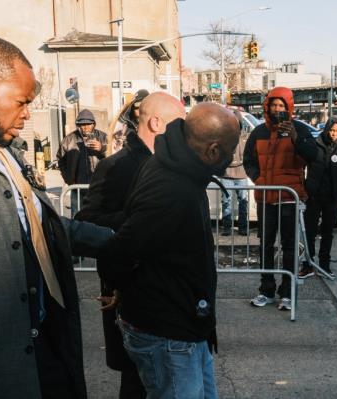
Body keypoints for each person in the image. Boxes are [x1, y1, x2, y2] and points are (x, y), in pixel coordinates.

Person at [0, 35, 113, 399]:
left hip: (42, 351)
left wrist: (122, 242)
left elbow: (42, 226)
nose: (27, 114)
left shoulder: (2, 152)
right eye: (21, 102)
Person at [97, 103, 240, 399]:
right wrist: (121, 287)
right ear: (213, 151)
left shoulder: (178, 166)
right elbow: (118, 252)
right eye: (231, 149)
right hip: (168, 334)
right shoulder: (173, 188)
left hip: (186, 327)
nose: (232, 157)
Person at [74, 91, 185, 399]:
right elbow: (89, 221)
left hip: (166, 294)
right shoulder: (118, 165)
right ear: (156, 122)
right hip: (132, 293)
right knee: (138, 381)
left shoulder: (169, 164)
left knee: (163, 378)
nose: (185, 131)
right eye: (180, 123)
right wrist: (140, 218)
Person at [243, 87, 317, 310]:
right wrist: (259, 179)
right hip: (265, 197)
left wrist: (295, 137)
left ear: (289, 108)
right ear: (267, 106)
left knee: (289, 247)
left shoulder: (300, 130)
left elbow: (312, 157)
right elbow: (248, 159)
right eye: (273, 105)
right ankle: (266, 290)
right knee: (265, 245)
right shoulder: (258, 133)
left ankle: (287, 292)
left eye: (281, 106)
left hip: (289, 198)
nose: (277, 109)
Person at [299, 116, 337, 278]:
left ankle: (324, 265)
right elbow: (302, 167)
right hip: (314, 196)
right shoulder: (315, 145)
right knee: (309, 232)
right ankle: (308, 265)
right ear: (326, 129)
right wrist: (305, 189)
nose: (334, 134)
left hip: (333, 198)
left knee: (327, 232)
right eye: (331, 130)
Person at [57, 108, 108, 216]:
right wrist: (69, 179)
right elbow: (61, 160)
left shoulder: (103, 137)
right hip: (77, 188)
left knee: (100, 217)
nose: (86, 127)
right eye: (82, 124)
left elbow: (114, 156)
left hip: (99, 187)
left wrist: (102, 148)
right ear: (78, 125)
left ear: (94, 124)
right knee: (77, 217)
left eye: (88, 124)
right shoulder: (69, 139)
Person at [219, 110, 250, 236]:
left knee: (243, 202)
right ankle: (227, 228)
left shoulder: (246, 137)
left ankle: (243, 228)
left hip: (241, 175)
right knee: (226, 201)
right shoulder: (223, 137)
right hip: (226, 174)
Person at [109, 89, 150, 155]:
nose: (141, 111)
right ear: (132, 109)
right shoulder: (123, 127)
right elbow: (115, 151)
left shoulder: (161, 124)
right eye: (137, 108)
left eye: (144, 107)